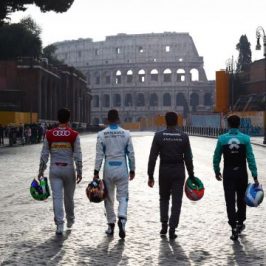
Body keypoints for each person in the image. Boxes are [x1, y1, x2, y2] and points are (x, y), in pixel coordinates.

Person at [147, 112, 195, 239]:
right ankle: (172, 228)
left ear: (165, 121)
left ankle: (164, 224)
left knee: (163, 198)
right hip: (179, 170)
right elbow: (188, 158)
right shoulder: (184, 137)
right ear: (177, 121)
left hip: (164, 170)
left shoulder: (158, 136)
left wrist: (150, 175)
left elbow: (152, 157)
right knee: (177, 201)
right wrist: (191, 175)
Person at [213, 115, 259, 241]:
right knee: (241, 199)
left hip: (228, 173)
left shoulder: (222, 139)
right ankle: (240, 223)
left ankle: (233, 226)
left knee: (229, 201)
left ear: (228, 125)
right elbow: (250, 158)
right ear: (239, 124)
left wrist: (216, 171)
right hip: (241, 173)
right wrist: (255, 175)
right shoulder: (245, 139)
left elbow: (216, 157)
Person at [38, 108, 82, 235]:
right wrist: (79, 171)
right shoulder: (74, 134)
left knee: (57, 197)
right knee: (69, 198)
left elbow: (44, 154)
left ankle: (59, 224)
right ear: (69, 119)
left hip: (54, 169)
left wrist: (41, 170)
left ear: (58, 119)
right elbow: (78, 154)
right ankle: (70, 220)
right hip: (69, 169)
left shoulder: (49, 134)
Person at [93, 109, 135, 239]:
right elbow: (131, 154)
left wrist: (96, 172)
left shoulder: (101, 134)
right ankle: (122, 218)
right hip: (122, 167)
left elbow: (99, 155)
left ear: (107, 119)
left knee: (108, 198)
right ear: (118, 119)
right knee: (123, 197)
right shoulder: (126, 134)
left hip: (108, 168)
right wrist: (132, 169)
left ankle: (111, 226)